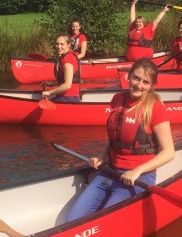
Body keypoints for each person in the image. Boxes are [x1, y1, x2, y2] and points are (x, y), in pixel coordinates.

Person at [66, 57, 175, 221]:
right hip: (110, 171)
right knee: (72, 220)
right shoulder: (117, 99)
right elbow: (114, 138)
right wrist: (101, 156)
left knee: (105, 222)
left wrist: (138, 171)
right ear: (128, 76)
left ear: (152, 85)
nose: (139, 85)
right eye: (136, 78)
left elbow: (169, 152)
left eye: (146, 82)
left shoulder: (156, 108)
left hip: (137, 177)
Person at [41, 34, 81, 103]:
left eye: (62, 44)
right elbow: (65, 79)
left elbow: (67, 85)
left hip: (69, 98)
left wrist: (49, 92)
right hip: (65, 97)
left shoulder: (68, 58)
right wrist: (51, 84)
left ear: (68, 45)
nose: (59, 46)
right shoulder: (64, 57)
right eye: (57, 44)